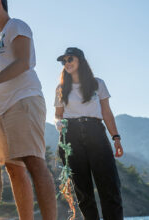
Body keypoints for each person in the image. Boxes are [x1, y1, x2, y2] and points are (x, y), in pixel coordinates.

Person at [0, 0, 57, 219]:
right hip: (4, 111)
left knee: (34, 162)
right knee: (13, 169)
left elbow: (23, 63)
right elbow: (2, 79)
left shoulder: (17, 25)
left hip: (24, 101)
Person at [54, 47, 123, 220]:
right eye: (64, 61)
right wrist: (58, 124)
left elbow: (106, 112)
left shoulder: (97, 83)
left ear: (80, 61)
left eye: (70, 59)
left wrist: (116, 138)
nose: (66, 63)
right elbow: (58, 115)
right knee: (83, 192)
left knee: (109, 187)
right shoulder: (61, 88)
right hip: (71, 137)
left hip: (96, 133)